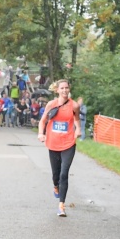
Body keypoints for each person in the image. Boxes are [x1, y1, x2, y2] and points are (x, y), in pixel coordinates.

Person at [37, 79, 81, 217]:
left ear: (69, 89)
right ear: (57, 90)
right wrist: (40, 133)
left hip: (68, 143)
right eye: (62, 88)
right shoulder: (51, 104)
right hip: (53, 143)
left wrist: (78, 129)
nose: (65, 90)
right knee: (56, 176)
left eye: (66, 88)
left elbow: (77, 119)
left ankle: (61, 206)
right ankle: (56, 186)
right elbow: (43, 120)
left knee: (64, 173)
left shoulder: (74, 105)